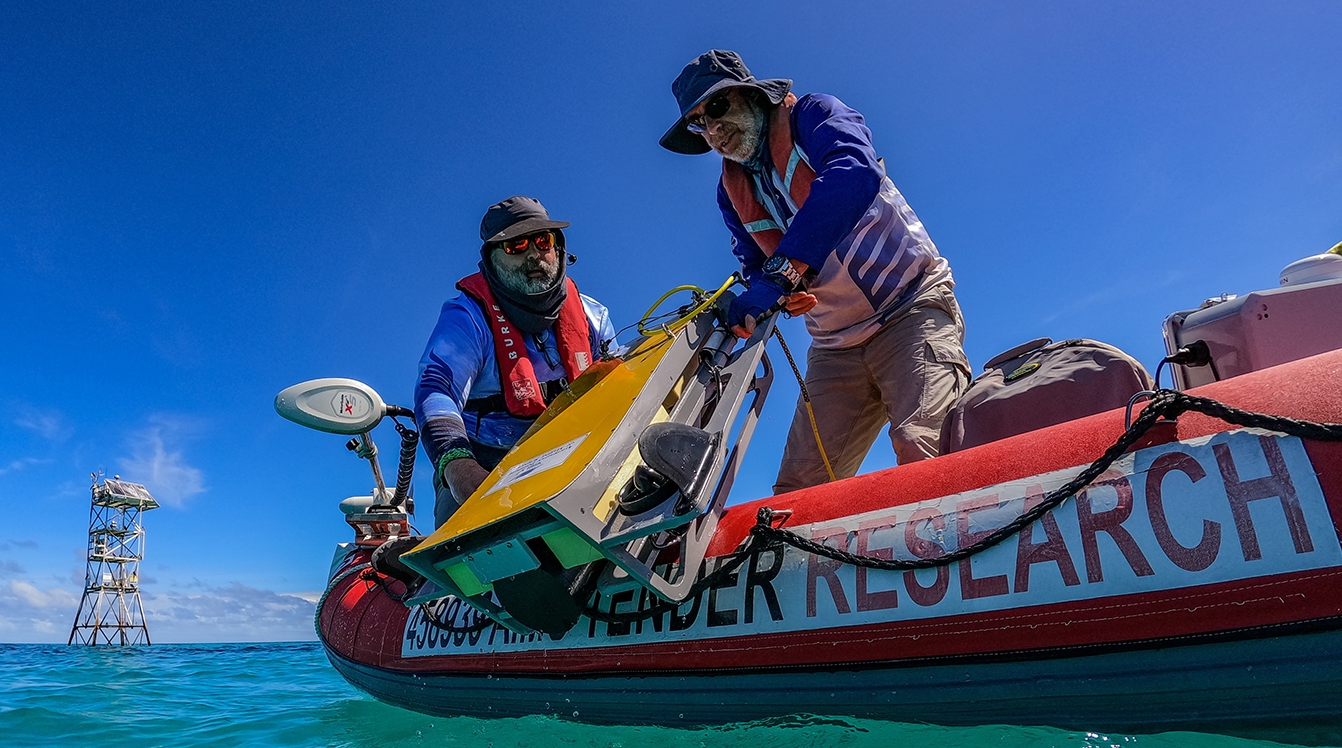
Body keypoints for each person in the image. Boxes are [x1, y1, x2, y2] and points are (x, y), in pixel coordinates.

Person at [661, 50, 972, 492]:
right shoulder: (730, 191)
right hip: (835, 348)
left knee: (923, 446)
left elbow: (854, 175)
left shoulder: (815, 114)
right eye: (699, 123)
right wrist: (781, 294)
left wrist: (781, 274)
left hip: (910, 308)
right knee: (797, 489)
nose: (713, 130)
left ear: (751, 95)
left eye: (717, 107)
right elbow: (756, 267)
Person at [415, 197, 618, 527]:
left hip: (573, 451)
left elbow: (619, 388)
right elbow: (436, 390)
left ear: (558, 247)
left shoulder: (594, 316)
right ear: (492, 260)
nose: (534, 254)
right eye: (516, 245)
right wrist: (456, 464)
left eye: (543, 241)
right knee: (455, 563)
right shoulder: (467, 316)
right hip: (483, 459)